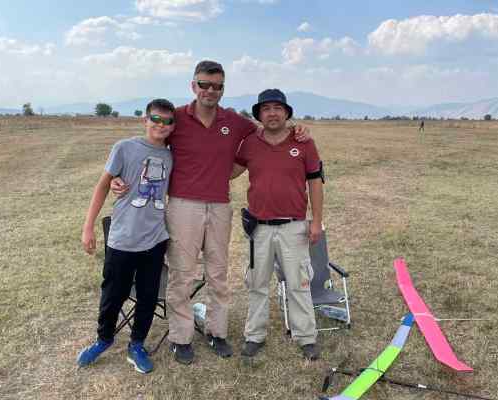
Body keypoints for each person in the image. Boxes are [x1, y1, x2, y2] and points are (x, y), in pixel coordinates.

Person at [110, 61, 310, 365]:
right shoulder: (176, 117)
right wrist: (119, 177)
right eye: (204, 84)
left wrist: (297, 129)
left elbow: (268, 131)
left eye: (217, 86)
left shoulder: (235, 121)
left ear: (222, 89)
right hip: (182, 206)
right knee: (182, 274)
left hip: (219, 206)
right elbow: (149, 144)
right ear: (193, 86)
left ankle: (218, 333)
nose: (210, 91)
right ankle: (181, 338)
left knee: (218, 273)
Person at [76, 99, 175, 374]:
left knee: (147, 296)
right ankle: (104, 339)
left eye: (167, 121)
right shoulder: (124, 148)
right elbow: (103, 186)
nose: (160, 125)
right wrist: (88, 227)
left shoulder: (171, 155)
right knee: (113, 295)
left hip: (155, 240)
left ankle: (137, 344)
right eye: (155, 119)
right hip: (122, 239)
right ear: (145, 120)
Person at [231, 89, 323, 360]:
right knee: (257, 283)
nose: (272, 113)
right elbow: (230, 172)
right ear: (259, 114)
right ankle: (254, 336)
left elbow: (315, 182)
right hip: (258, 228)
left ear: (286, 113)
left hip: (294, 226)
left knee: (299, 283)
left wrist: (316, 221)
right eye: (266, 108)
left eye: (277, 108)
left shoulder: (304, 142)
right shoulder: (248, 143)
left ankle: (306, 338)